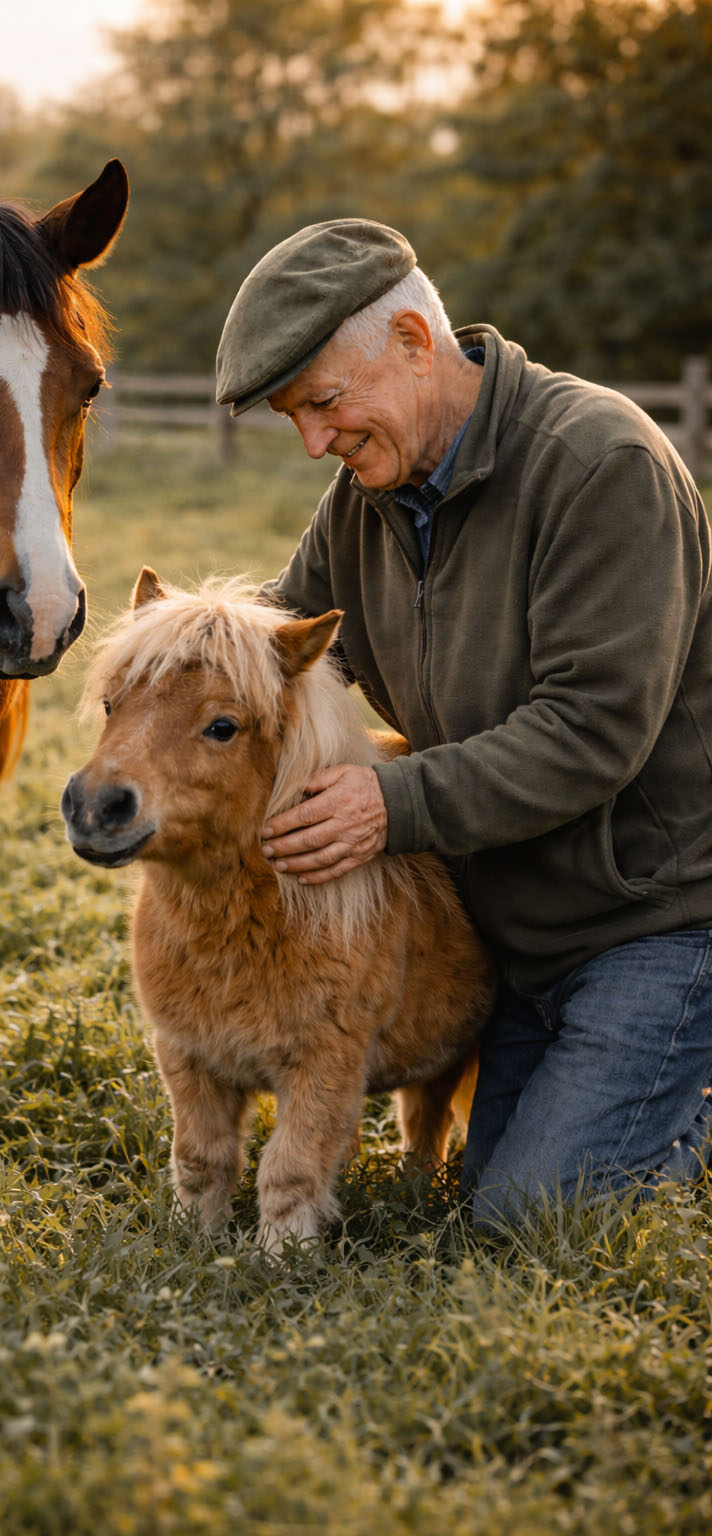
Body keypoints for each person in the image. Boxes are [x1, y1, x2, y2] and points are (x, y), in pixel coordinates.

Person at [214, 218, 712, 1227]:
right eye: (290, 417)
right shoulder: (373, 490)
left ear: (411, 341)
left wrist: (388, 801)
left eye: (322, 402)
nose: (314, 442)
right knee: (468, 1201)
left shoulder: (598, 464)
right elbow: (283, 643)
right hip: (511, 936)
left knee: (527, 1225)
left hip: (653, 928)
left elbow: (590, 729)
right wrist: (167, 682)